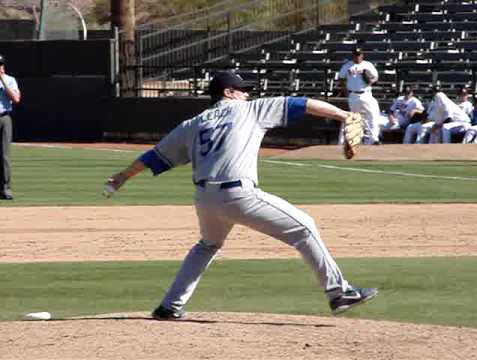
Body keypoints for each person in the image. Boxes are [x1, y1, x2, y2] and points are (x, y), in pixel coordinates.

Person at [104, 71, 378, 320]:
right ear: (229, 93)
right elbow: (303, 103)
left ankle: (170, 306)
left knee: (207, 245)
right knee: (304, 227)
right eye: (242, 89)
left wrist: (121, 177)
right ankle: (339, 293)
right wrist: (345, 116)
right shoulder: (250, 110)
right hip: (237, 195)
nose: (248, 93)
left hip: (204, 198)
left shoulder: (193, 124)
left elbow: (154, 156)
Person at [338, 48, 382, 145]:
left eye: (359, 54)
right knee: (353, 118)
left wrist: (370, 81)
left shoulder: (368, 65)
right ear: (353, 55)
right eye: (355, 54)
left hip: (366, 94)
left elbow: (375, 78)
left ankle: (373, 139)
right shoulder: (347, 66)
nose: (357, 56)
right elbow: (341, 78)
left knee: (373, 116)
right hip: (353, 95)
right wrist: (346, 92)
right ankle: (346, 141)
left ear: (362, 55)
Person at [0, 54, 21, 200]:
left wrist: (2, 80)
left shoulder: (10, 80)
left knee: (4, 155)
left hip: (4, 118)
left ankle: (5, 189)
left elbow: (16, 99)